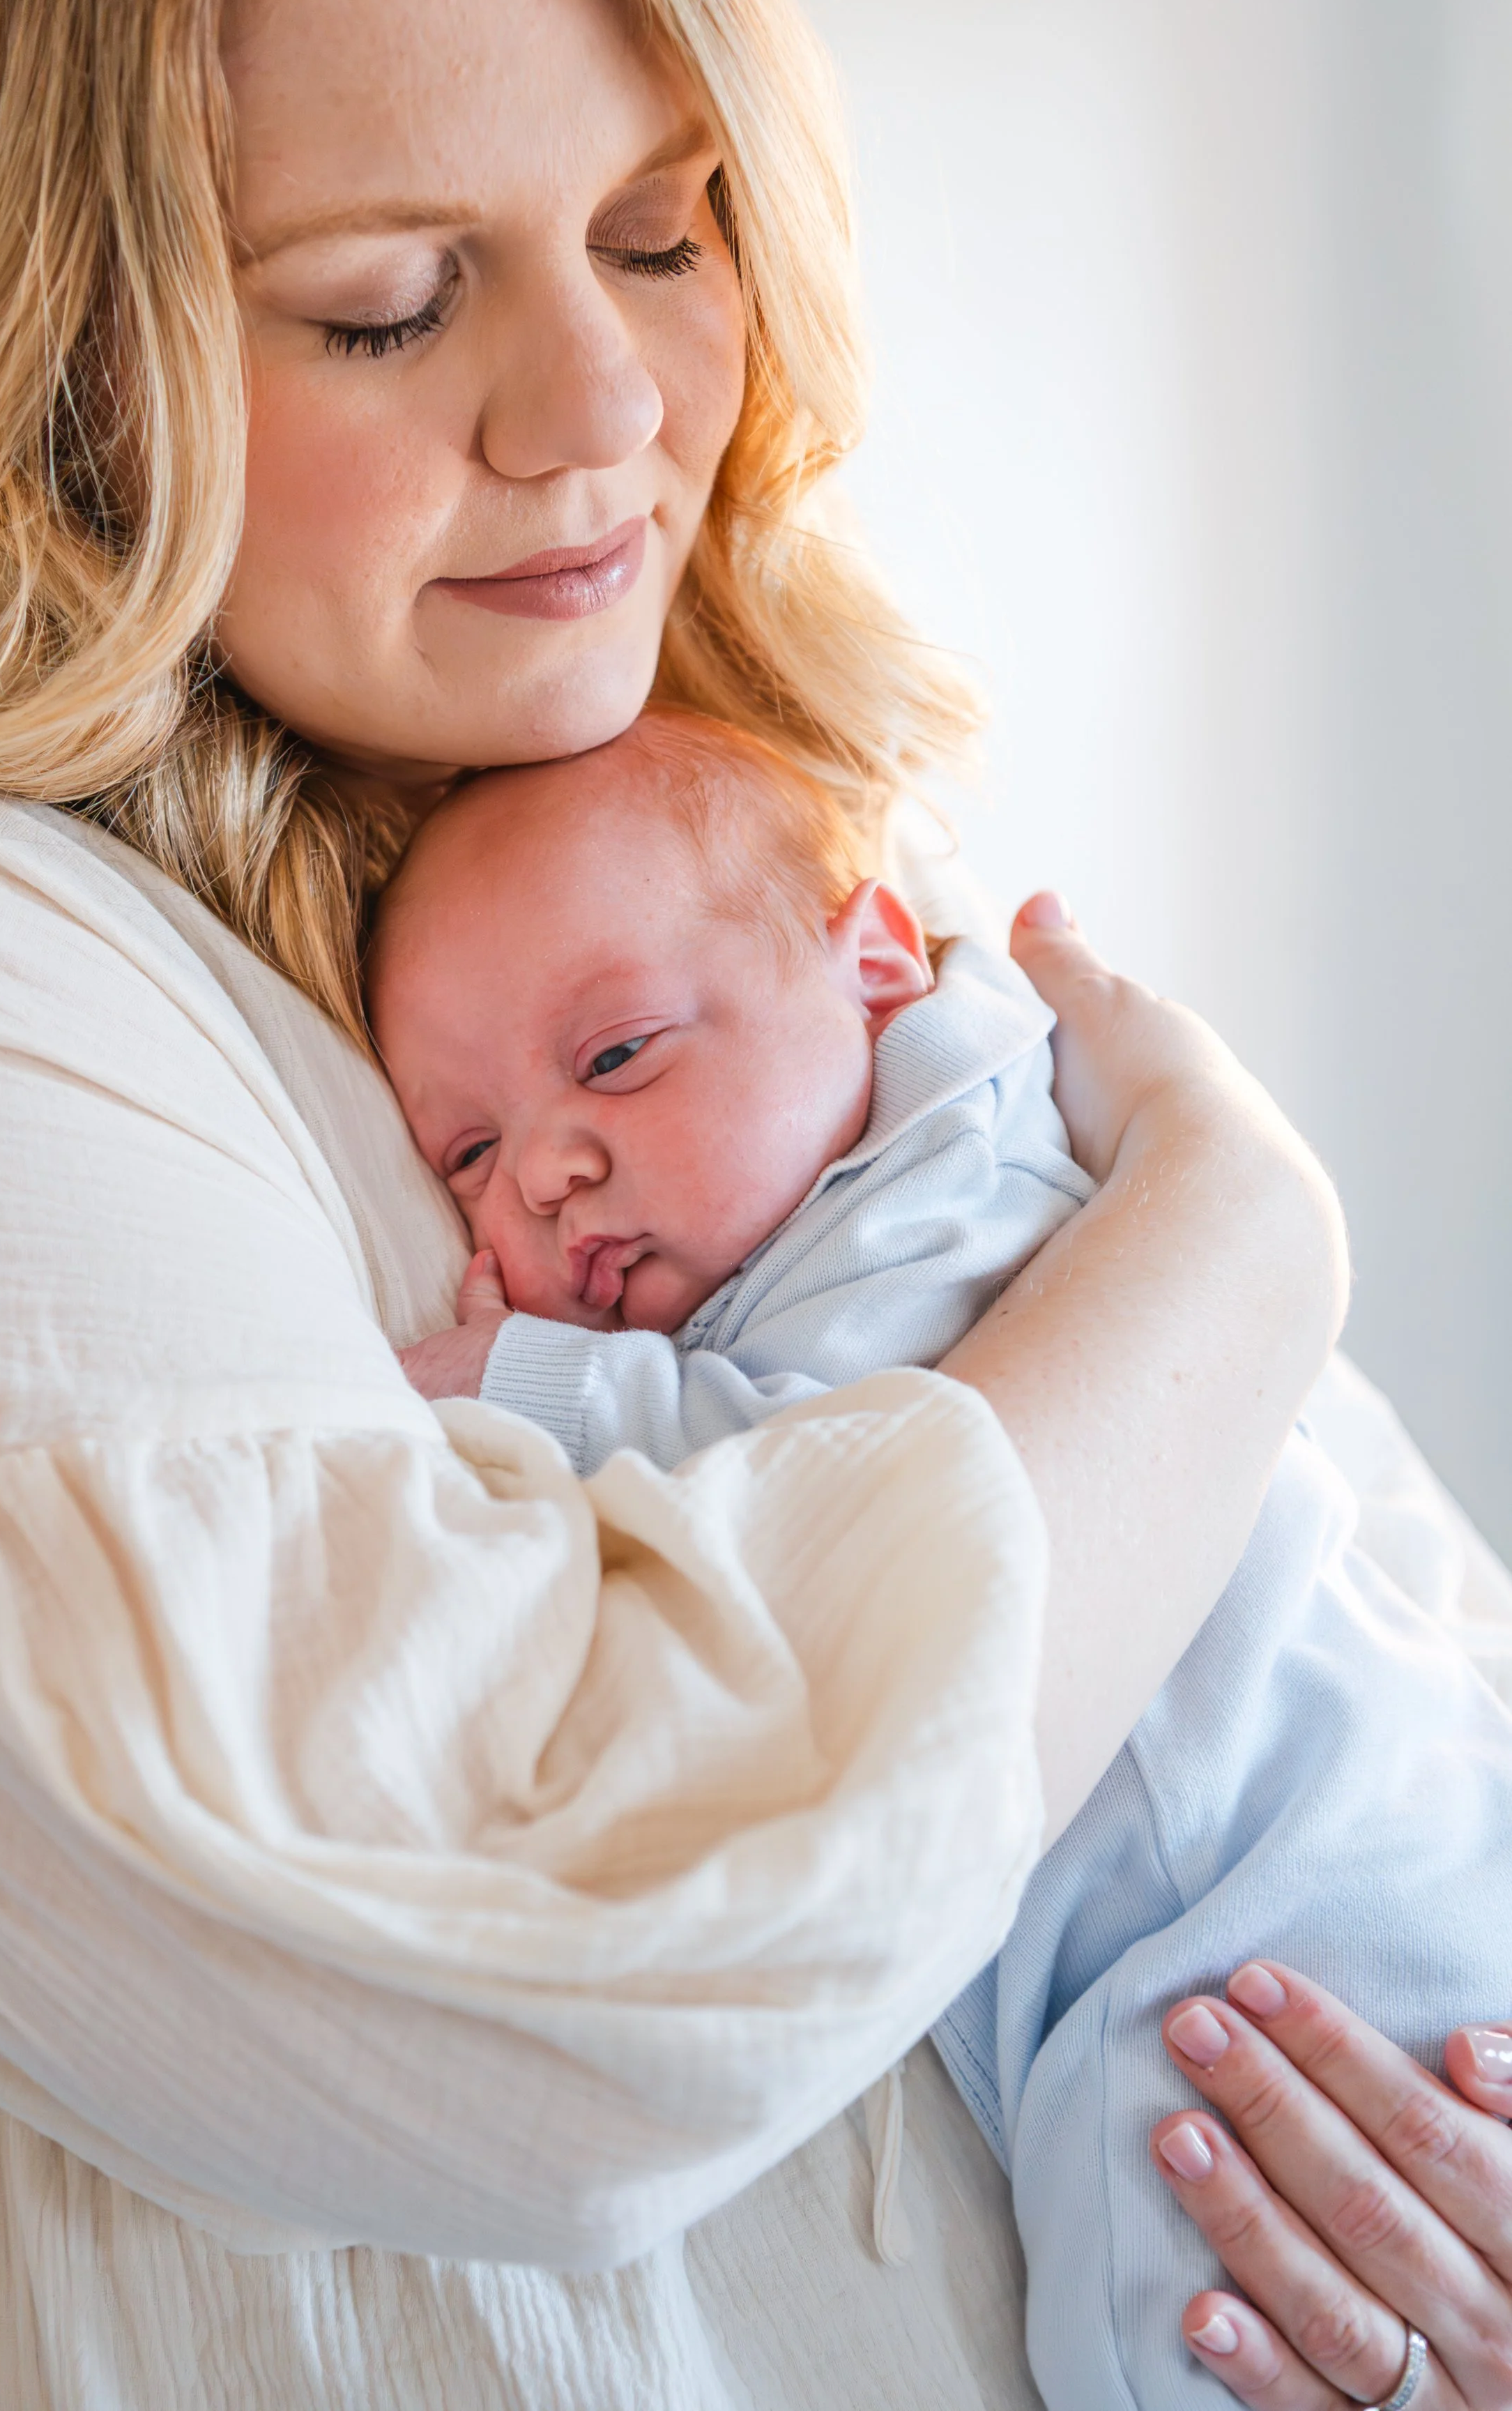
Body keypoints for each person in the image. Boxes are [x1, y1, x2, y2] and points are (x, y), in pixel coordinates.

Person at [0, 0, 1506, 2405]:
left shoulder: (706, 881)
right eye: (383, 304)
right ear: (52, 353)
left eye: (667, 233)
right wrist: (1236, 1244)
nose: (606, 409)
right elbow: (587, 1970)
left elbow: (1367, 1635)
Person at [366, 710, 1512, 2410]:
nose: (542, 1167)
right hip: (1245, 1914)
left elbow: (865, 1476)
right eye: (466, 1151)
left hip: (1285, 1906)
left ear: (877, 968)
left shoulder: (945, 1189)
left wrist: (535, 1387)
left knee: (1180, 2300)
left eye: (612, 1058)